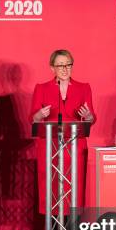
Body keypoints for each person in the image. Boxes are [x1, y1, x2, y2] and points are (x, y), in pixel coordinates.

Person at [30, 49, 96, 217]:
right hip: (50, 148)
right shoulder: (42, 88)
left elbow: (91, 117)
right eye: (60, 65)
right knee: (51, 190)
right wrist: (39, 115)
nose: (65, 69)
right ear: (52, 68)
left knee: (74, 189)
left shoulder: (83, 88)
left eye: (68, 64)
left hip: (75, 148)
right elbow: (33, 118)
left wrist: (88, 116)